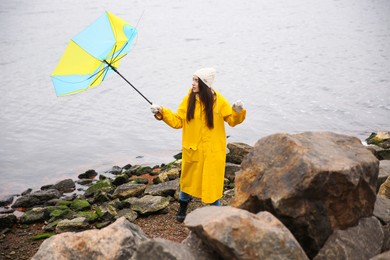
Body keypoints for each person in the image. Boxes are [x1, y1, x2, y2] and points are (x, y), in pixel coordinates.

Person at [150, 67, 246, 222]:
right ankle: (183, 207)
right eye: (193, 79)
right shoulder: (189, 99)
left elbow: (232, 121)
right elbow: (178, 121)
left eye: (196, 80)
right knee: (187, 181)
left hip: (212, 152)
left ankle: (217, 217)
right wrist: (162, 111)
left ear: (205, 83)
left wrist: (238, 111)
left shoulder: (218, 101)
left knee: (212, 186)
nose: (193, 83)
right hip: (193, 149)